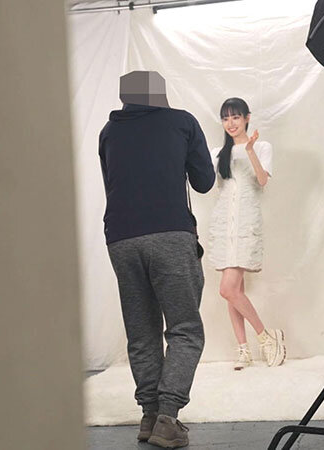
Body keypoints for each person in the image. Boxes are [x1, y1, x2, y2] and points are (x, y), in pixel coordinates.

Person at [100, 71, 214, 449]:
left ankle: (149, 416)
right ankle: (167, 418)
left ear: (125, 97)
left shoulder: (108, 133)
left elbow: (113, 184)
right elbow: (204, 181)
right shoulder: (181, 122)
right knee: (185, 328)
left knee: (141, 330)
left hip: (121, 238)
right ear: (159, 94)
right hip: (170, 233)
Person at [208, 97, 286, 370]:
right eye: (225, 118)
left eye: (235, 117)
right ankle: (243, 350)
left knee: (227, 289)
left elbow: (262, 181)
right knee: (234, 291)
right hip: (223, 223)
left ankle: (266, 337)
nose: (230, 123)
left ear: (247, 118)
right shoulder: (217, 152)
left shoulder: (262, 147)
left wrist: (250, 150)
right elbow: (209, 183)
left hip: (245, 222)